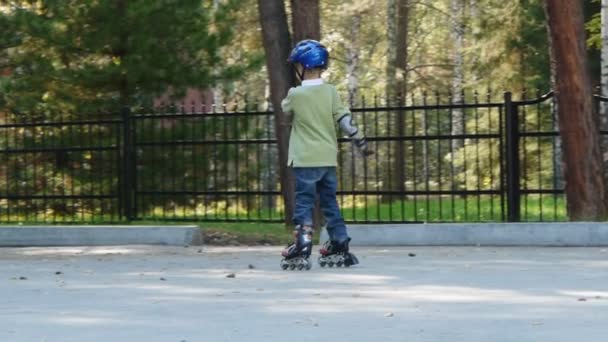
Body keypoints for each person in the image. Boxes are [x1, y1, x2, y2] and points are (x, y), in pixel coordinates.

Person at [279, 39, 372, 271]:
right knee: (330, 202)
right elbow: (345, 120)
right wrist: (358, 137)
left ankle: (302, 244)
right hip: (328, 159)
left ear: (302, 66)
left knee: (305, 203)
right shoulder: (331, 93)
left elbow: (285, 108)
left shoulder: (296, 94)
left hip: (305, 159)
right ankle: (339, 242)